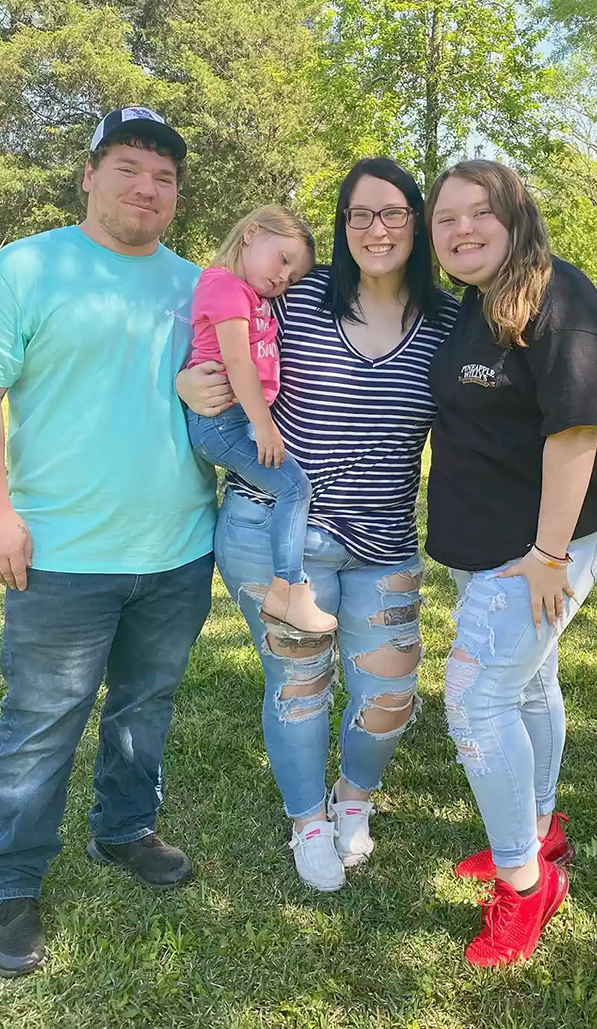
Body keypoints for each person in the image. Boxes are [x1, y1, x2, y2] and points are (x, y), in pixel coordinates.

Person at [0, 106, 217, 978]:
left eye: (165, 176)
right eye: (131, 166)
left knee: (146, 704)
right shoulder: (26, 266)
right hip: (60, 554)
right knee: (41, 722)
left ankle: (125, 830)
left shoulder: (199, 286)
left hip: (178, 547)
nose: (148, 186)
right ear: (90, 174)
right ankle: (13, 878)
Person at [178, 157, 458, 891]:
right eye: (358, 214)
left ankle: (352, 800)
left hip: (385, 540)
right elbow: (214, 338)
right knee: (299, 687)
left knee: (389, 693)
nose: (377, 228)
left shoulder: (449, 321)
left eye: (394, 212)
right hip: (275, 533)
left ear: (417, 223)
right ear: (341, 225)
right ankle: (307, 819)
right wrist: (183, 380)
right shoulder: (294, 300)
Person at [425, 159, 597, 968]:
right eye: (446, 218)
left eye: (481, 214)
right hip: (493, 541)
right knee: (530, 684)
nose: (462, 229)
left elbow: (577, 431)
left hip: (541, 548)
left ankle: (523, 886)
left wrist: (549, 554)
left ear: (516, 220)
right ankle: (540, 833)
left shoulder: (560, 299)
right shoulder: (477, 304)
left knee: (475, 703)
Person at [187, 205, 337, 635]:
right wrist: (265, 424)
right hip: (225, 421)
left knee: (291, 487)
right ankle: (288, 590)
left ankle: (287, 589)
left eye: (291, 277)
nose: (282, 278)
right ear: (252, 232)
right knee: (294, 487)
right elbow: (236, 360)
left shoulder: (252, 296)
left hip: (233, 420)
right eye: (283, 260)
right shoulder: (224, 285)